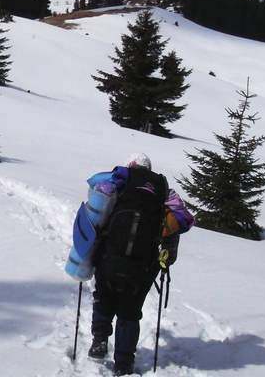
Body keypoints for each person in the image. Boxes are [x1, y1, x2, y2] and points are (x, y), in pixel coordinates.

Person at [87, 153, 193, 376]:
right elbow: (182, 220)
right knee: (130, 309)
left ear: (130, 166)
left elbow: (95, 207)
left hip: (110, 256)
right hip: (142, 264)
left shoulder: (119, 180)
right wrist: (167, 257)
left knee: (104, 296)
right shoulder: (164, 190)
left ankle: (99, 342)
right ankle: (124, 363)